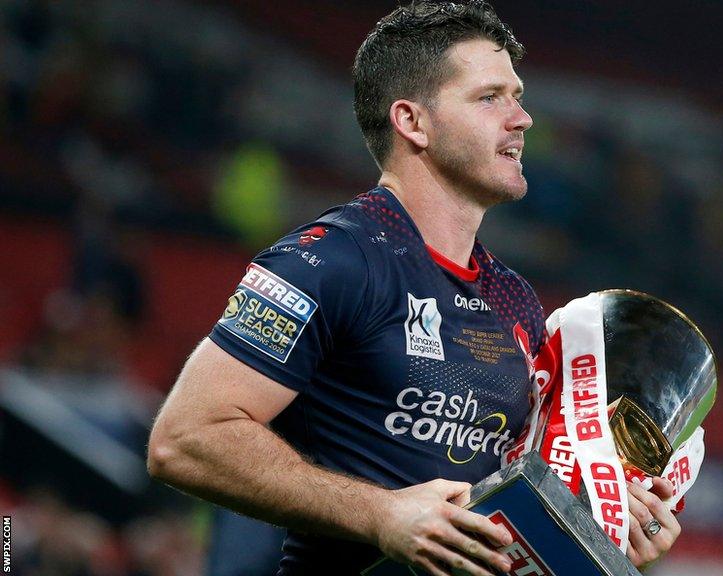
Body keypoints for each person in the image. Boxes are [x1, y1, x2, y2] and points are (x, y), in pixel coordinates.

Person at [146, 2, 681, 574]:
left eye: (517, 95)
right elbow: (184, 438)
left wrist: (601, 522)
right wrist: (381, 515)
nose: (522, 118)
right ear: (412, 122)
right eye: (488, 97)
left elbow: (510, 504)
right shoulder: (332, 259)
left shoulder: (517, 303)